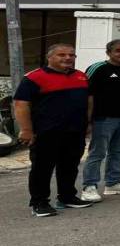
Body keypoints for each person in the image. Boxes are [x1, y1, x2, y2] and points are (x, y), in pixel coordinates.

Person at [14, 44, 93, 217]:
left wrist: (87, 123)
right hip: (46, 132)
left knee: (70, 166)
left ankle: (67, 197)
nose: (68, 58)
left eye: (71, 55)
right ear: (49, 57)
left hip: (75, 131)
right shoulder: (34, 78)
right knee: (42, 168)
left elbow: (89, 101)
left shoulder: (81, 76)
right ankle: (39, 202)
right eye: (62, 55)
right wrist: (26, 130)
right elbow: (21, 105)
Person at [80, 40, 120, 203]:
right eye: (118, 51)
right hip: (103, 118)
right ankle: (89, 186)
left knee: (118, 151)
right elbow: (87, 94)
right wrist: (87, 120)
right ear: (109, 52)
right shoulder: (98, 68)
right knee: (97, 153)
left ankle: (113, 183)